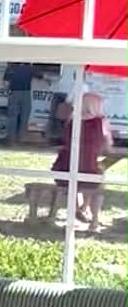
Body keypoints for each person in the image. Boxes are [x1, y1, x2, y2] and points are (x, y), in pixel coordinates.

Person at [50, 88, 112, 225]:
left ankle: (77, 209)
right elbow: (108, 147)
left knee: (83, 174)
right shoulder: (101, 122)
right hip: (87, 169)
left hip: (63, 169)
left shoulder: (72, 120)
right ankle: (94, 220)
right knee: (97, 177)